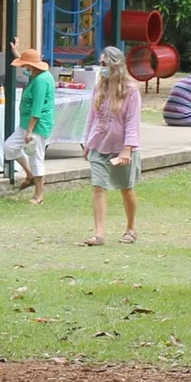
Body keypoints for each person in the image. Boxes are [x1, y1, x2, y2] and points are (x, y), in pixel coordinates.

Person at [83, 45, 142, 246]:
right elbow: (92, 117)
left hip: (121, 148)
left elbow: (132, 122)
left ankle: (131, 227)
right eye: (100, 64)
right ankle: (99, 233)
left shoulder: (131, 91)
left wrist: (127, 149)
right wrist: (87, 142)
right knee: (98, 187)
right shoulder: (99, 87)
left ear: (115, 65)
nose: (102, 68)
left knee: (126, 188)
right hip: (99, 145)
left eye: (104, 64)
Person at [4, 42, 55, 203]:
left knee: (36, 157)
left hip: (37, 125)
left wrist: (30, 130)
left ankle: (39, 195)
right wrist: (16, 52)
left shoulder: (41, 81)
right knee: (9, 147)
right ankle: (29, 174)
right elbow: (26, 65)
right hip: (26, 123)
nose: (23, 67)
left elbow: (37, 108)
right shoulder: (35, 74)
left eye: (25, 64)